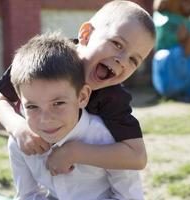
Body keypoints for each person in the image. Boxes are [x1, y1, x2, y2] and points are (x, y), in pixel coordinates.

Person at [0, 0, 155, 175]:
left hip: (88, 182)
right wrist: (18, 127)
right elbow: (1, 100)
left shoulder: (112, 97)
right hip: (36, 170)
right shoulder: (45, 58)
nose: (122, 61)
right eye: (117, 44)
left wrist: (74, 152)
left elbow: (137, 157)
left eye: (133, 60)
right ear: (86, 34)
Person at [8, 32, 144, 200]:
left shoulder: (106, 139)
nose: (45, 119)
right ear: (21, 104)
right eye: (32, 106)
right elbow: (27, 195)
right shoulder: (19, 142)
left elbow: (129, 197)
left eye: (58, 103)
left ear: (82, 97)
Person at [152, 0, 190, 101]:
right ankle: (170, 91)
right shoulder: (161, 18)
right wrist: (179, 38)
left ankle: (187, 91)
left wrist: (188, 40)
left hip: (184, 52)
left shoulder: (186, 21)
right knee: (173, 55)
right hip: (166, 52)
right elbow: (160, 37)